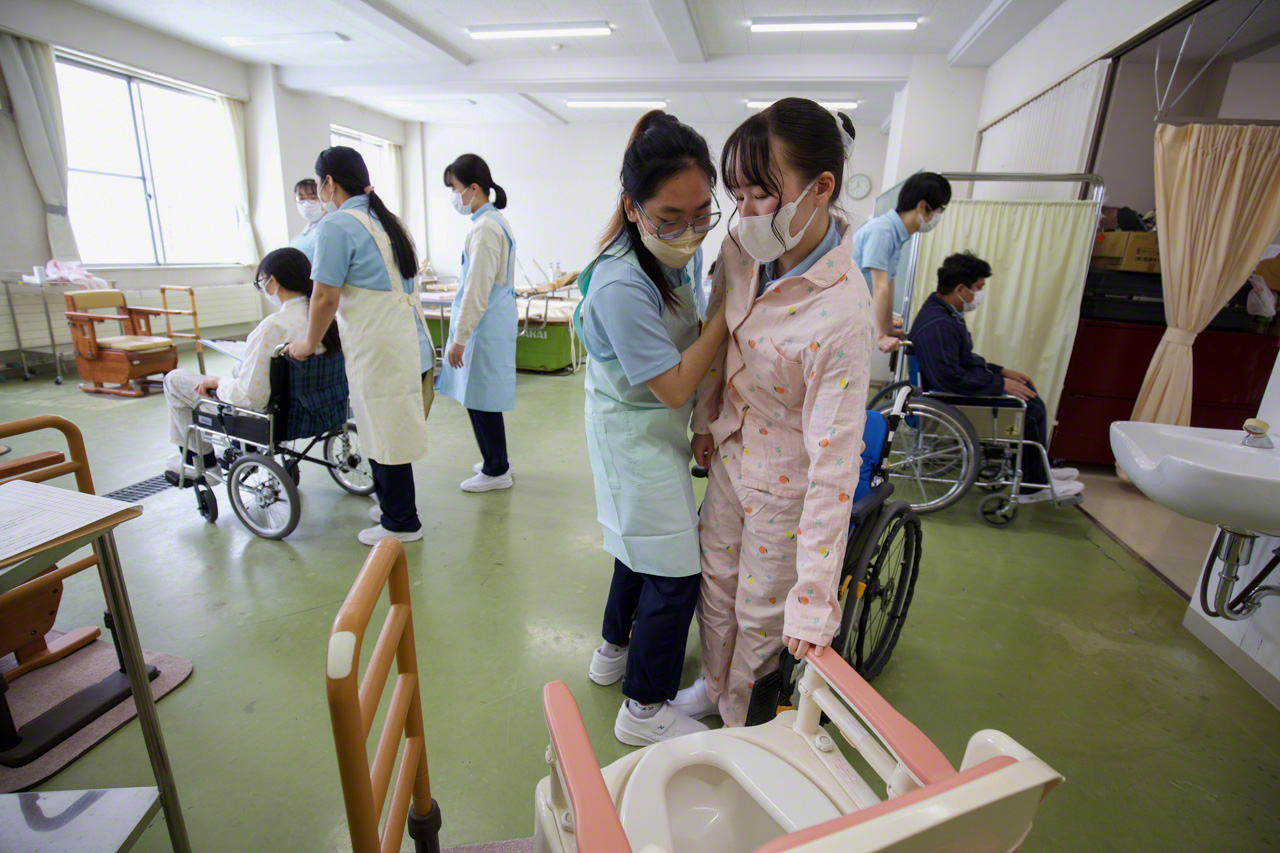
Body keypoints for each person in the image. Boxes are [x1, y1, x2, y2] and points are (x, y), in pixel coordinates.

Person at [674, 98, 874, 728]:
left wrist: (815, 601)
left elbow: (836, 465)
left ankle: (738, 721)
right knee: (716, 585)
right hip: (733, 452)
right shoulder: (739, 247)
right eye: (736, 195)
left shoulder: (842, 314)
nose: (745, 213)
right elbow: (717, 338)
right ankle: (712, 685)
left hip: (790, 480)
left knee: (762, 613)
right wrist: (705, 421)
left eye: (762, 194)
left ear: (822, 189)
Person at [579, 110, 729, 745]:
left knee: (637, 547)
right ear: (633, 207)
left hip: (654, 425)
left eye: (703, 213)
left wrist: (701, 417)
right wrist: (732, 312)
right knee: (673, 569)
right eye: (673, 217)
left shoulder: (670, 255)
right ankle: (642, 709)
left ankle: (614, 652)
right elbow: (672, 379)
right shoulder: (620, 281)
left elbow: (681, 354)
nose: (690, 231)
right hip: (631, 432)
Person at [284, 146, 434, 545]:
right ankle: (392, 506)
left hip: (381, 344)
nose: (317, 194)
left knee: (386, 427)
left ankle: (401, 522)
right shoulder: (387, 219)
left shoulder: (336, 226)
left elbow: (324, 298)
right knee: (387, 426)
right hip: (410, 338)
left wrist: (306, 343)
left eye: (317, 186)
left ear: (329, 183)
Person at [908, 251, 1082, 502]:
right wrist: (1000, 385)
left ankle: (1037, 472)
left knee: (1025, 393)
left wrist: (1001, 372)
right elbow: (950, 378)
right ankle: (1031, 487)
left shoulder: (945, 314)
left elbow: (964, 360)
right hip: (949, 398)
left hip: (954, 391)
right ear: (960, 288)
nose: (980, 294)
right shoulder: (939, 323)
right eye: (978, 287)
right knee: (1030, 407)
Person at [162, 247, 339, 483]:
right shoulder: (329, 320)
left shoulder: (273, 326)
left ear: (273, 282)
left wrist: (218, 383)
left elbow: (250, 397)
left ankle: (203, 464)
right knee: (239, 370)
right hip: (321, 408)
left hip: (273, 418)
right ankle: (241, 448)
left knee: (174, 380)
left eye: (262, 283)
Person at [436, 154, 518, 492]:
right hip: (490, 324)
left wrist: (459, 337)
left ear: (472, 188)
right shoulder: (492, 221)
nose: (452, 196)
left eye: (453, 188)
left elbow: (476, 289)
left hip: (483, 327)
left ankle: (496, 468)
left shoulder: (486, 229)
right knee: (483, 396)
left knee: (480, 399)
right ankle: (496, 458)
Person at [849, 172, 951, 353]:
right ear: (922, 206)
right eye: (939, 210)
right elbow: (880, 286)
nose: (939, 217)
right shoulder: (883, 230)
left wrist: (888, 328)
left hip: (856, 314)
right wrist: (880, 336)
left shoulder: (896, 235)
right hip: (845, 315)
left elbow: (889, 283)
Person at [290, 178, 333, 263]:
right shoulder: (304, 233)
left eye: (312, 198)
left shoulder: (329, 226)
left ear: (323, 198)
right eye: (301, 198)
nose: (306, 203)